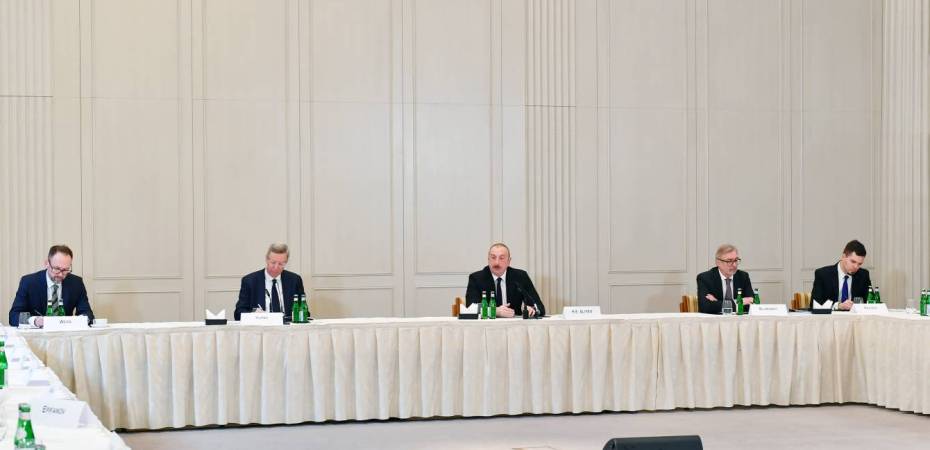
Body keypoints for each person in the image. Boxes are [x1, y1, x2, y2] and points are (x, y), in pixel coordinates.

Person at [9, 245, 95, 327]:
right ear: (47, 263)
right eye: (57, 269)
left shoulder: (76, 283)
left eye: (65, 270)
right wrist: (35, 321)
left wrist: (81, 320)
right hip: (38, 333)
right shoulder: (29, 282)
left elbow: (87, 314)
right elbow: (14, 316)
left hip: (65, 333)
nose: (60, 274)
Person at [465, 243, 545, 317]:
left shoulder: (520, 276)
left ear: (509, 261)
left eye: (501, 258)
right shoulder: (476, 278)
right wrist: (495, 311)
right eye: (493, 257)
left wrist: (532, 310)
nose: (497, 262)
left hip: (515, 325)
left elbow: (539, 307)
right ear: (488, 259)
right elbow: (471, 308)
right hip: (487, 325)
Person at [235, 243, 306, 320]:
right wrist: (254, 314)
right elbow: (238, 313)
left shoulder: (295, 280)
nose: (276, 267)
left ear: (286, 262)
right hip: (261, 325)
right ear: (267, 260)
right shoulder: (250, 281)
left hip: (288, 326)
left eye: (281, 264)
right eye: (273, 263)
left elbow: (304, 311)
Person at [811, 239, 871, 311]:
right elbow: (815, 305)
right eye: (853, 261)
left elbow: (870, 303)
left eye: (859, 264)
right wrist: (838, 306)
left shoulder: (863, 275)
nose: (856, 267)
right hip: (831, 317)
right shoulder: (823, 275)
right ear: (843, 256)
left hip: (855, 317)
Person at [697, 244, 754, 314]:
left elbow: (752, 304)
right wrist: (739, 302)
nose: (734, 265)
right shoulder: (705, 278)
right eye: (729, 261)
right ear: (718, 262)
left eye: (736, 260)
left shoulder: (743, 277)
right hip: (715, 320)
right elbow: (705, 307)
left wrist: (717, 303)